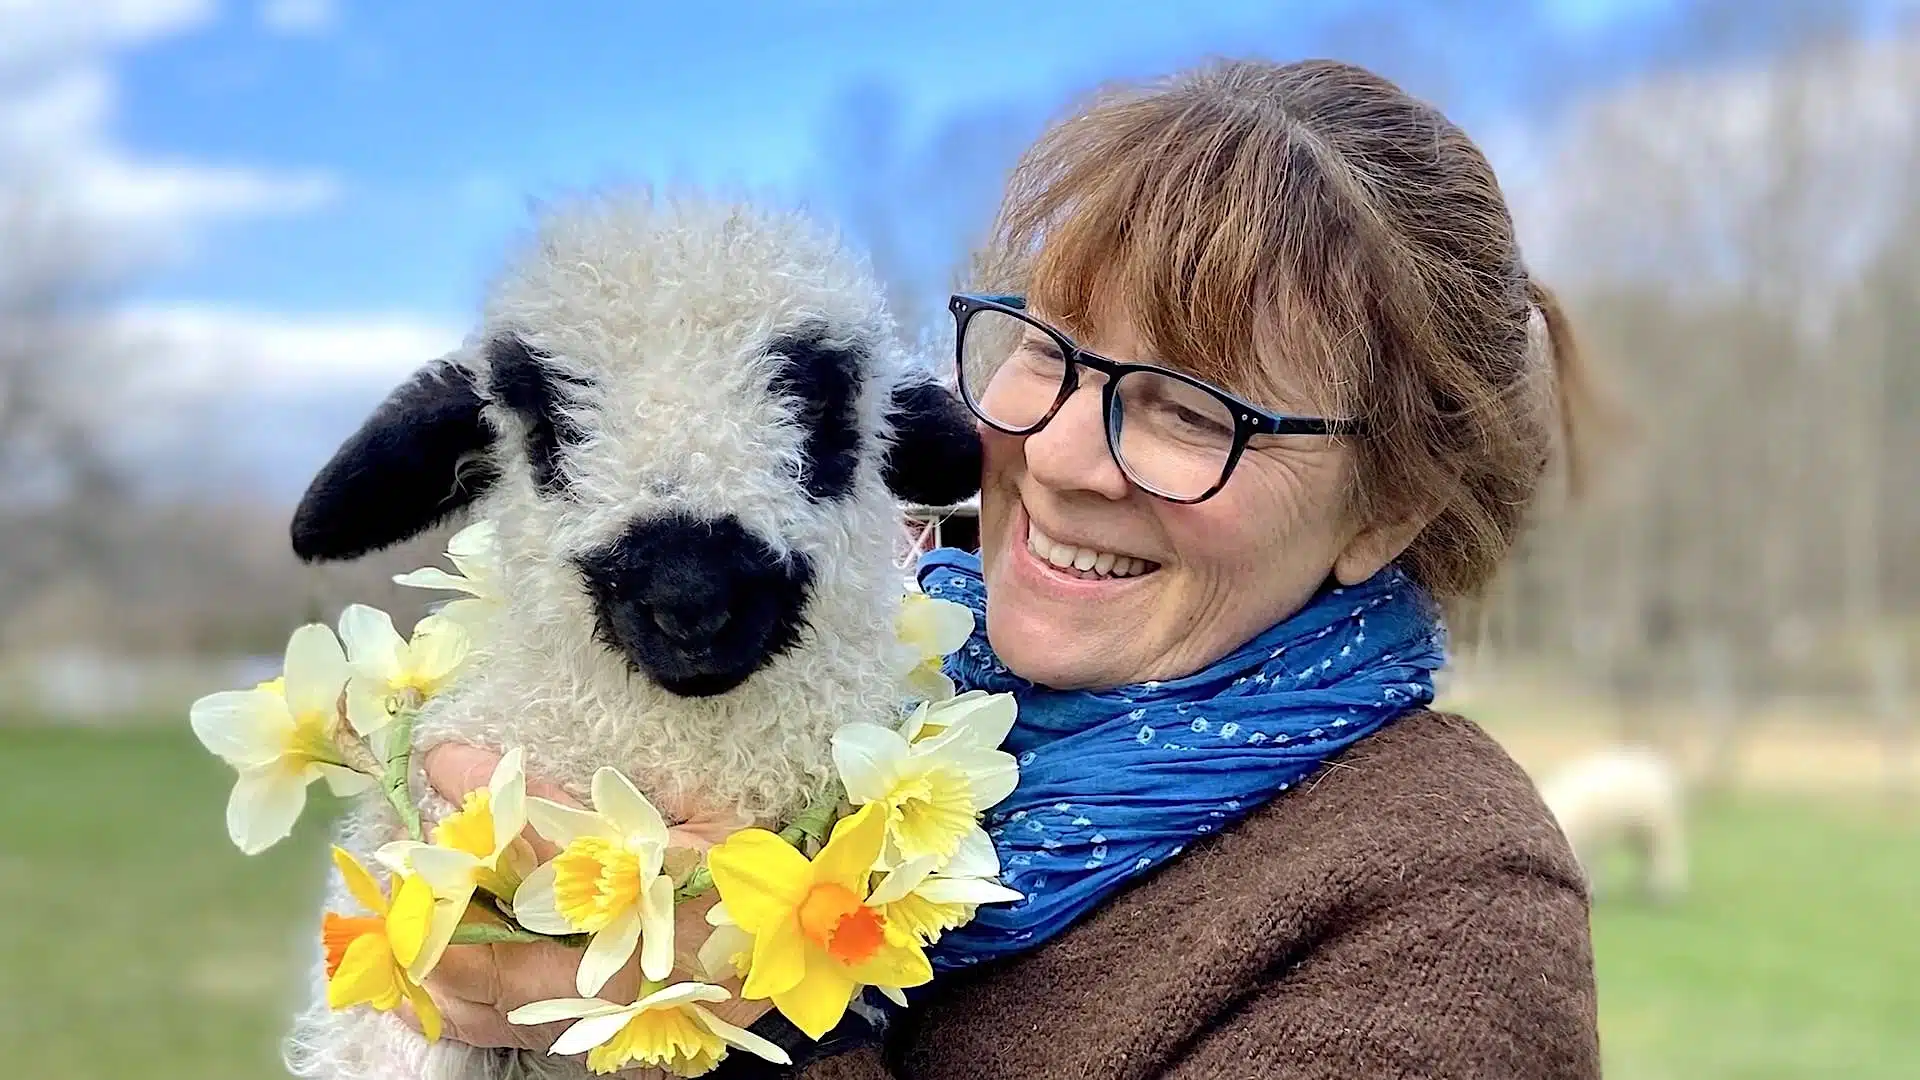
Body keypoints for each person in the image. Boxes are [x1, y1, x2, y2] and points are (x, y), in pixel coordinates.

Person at [406, 57, 1604, 1078]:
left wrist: (746, 1005)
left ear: (1387, 508)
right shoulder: (870, 675)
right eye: (1048, 349)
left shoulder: (1445, 906)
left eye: (1193, 411)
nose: (1062, 454)